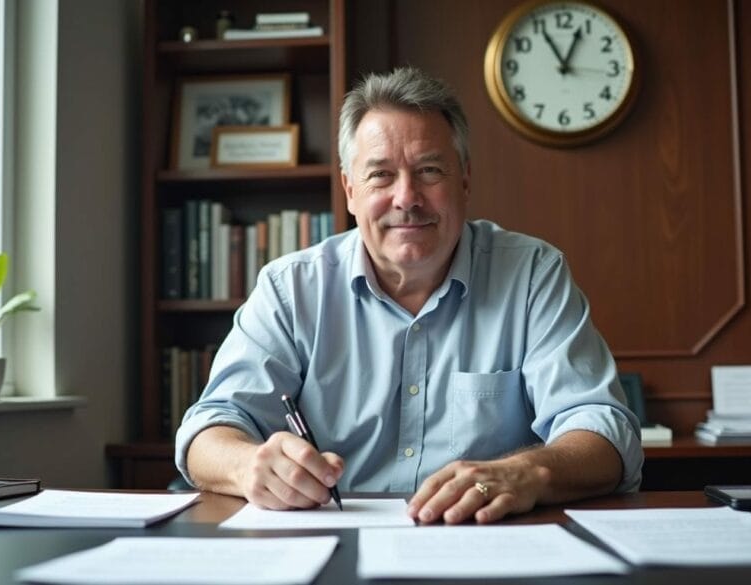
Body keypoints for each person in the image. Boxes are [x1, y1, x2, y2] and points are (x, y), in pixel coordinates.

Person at [176, 67, 642, 524]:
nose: (407, 197)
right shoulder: (291, 288)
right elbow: (210, 427)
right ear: (350, 189)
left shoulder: (532, 275)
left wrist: (524, 473)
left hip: (483, 545)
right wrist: (248, 465)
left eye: (430, 170)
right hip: (329, 542)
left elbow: (603, 431)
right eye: (381, 175)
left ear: (464, 179)